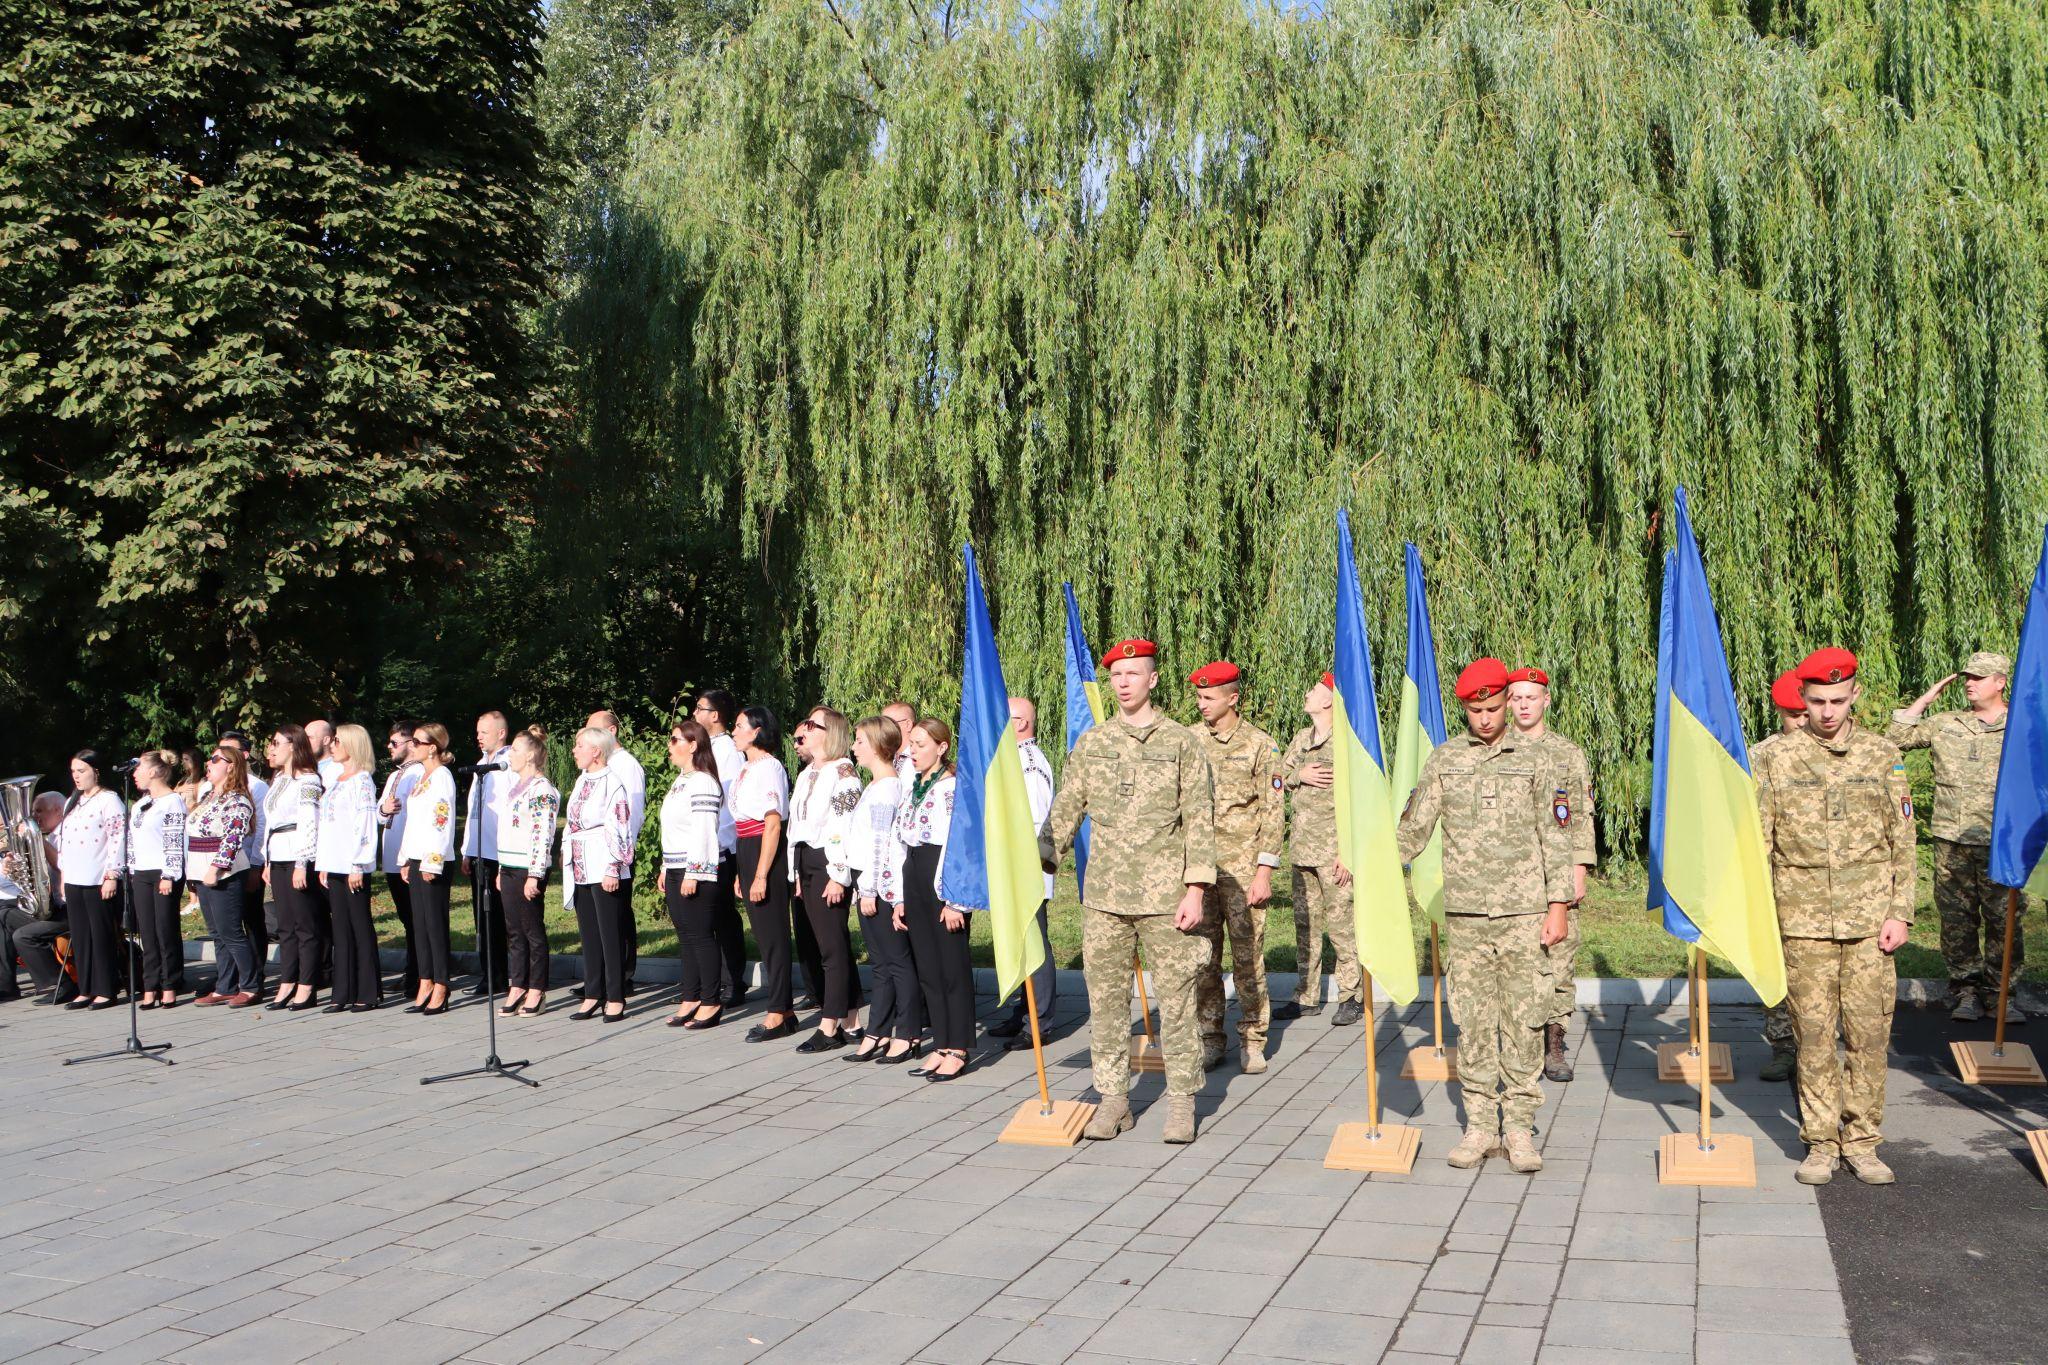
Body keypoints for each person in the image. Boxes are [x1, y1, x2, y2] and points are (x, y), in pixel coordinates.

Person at [1397, 658, 1572, 1172]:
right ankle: (1478, 1126)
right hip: (1468, 917)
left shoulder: (1537, 760)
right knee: (1472, 1023)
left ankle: (1518, 1128)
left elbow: (1556, 838)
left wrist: (1558, 906)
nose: (1487, 719)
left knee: (1524, 1021)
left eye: (1494, 708)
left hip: (1525, 914)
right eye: (1477, 711)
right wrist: (1375, 866)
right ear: (1465, 710)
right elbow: (1413, 828)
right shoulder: (1446, 759)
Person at [1044, 638, 1216, 1144]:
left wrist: (1196, 890)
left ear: (1152, 679)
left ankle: (1182, 1101)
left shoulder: (1181, 742)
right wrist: (1041, 856)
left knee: (1177, 1003)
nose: (1123, 683)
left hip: (1165, 898)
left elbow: (1199, 819)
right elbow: (1069, 804)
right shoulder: (1093, 742)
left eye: (1133, 673)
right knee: (1106, 1003)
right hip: (1104, 897)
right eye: (1117, 675)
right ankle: (1114, 1099)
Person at [1758, 647, 1914, 1187]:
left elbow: (1903, 840)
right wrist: (1762, 916)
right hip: (1801, 922)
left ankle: (1863, 1141)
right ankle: (1821, 1142)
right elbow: (1760, 842)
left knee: (1869, 1035)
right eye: (1818, 701)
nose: (1828, 712)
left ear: (1855, 696)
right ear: (1802, 697)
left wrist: (1901, 912)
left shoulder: (1882, 754)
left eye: (1838, 701)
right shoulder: (1774, 758)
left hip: (1870, 922)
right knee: (1814, 1036)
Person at [1889, 651, 2018, 1023]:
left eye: (1979, 677)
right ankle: (1965, 991)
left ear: (2000, 682)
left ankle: (2002, 995)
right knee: (1958, 921)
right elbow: (1896, 738)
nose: (1969, 684)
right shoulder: (1947, 723)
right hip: (1952, 839)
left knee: (2005, 920)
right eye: (1967, 677)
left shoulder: (2021, 725)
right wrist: (1927, 698)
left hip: (2001, 842)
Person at [1189, 661, 1284, 1074]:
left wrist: (1264, 872)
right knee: (1203, 958)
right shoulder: (1189, 741)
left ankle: (1253, 1037)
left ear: (1233, 698)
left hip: (1244, 871)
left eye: (1209, 697)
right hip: (1200, 871)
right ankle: (1210, 1037)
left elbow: (1273, 812)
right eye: (1198, 697)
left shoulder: (1261, 745)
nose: (1202, 704)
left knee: (1247, 958)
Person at [1505, 665, 1597, 1083]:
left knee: (1559, 962)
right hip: (1509, 877)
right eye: (1517, 698)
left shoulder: (1567, 753)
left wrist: (1580, 868)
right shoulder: (1497, 750)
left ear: (1546, 700)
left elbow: (1581, 813)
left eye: (1531, 697)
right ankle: (1515, 1043)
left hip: (1557, 874)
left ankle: (1554, 1043)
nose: (1524, 705)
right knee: (1514, 964)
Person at [1275, 672, 1363, 1026]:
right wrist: (1300, 775)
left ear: (1329, 700)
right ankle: (1307, 996)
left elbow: (1359, 799)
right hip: (1302, 850)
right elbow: (1276, 778)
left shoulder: (1346, 743)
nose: (1307, 694)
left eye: (1314, 690)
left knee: (1342, 927)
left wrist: (1349, 852)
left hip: (1333, 853)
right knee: (1305, 927)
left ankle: (1351, 995)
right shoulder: (1301, 739)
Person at [787, 707, 864, 1050]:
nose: (804, 729)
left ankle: (829, 1026)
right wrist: (795, 871)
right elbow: (796, 826)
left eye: (811, 724)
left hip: (829, 861)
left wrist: (838, 874)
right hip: (806, 859)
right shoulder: (808, 773)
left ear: (829, 732)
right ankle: (852, 1020)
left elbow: (844, 827)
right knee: (829, 943)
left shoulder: (843, 772)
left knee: (831, 946)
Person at [900, 718, 973, 1081]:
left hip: (943, 876)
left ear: (942, 748)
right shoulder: (916, 784)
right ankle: (941, 1043)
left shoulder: (951, 787)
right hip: (915, 872)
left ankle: (959, 1046)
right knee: (928, 966)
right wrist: (899, 898)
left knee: (951, 967)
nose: (912, 751)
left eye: (920, 744)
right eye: (911, 744)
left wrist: (956, 900)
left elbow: (962, 844)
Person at [845, 716, 920, 1062]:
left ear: (877, 745)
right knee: (881, 963)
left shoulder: (887, 788)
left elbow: (881, 843)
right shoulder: (876, 786)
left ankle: (907, 1033)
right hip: (868, 882)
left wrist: (870, 889)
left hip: (881, 886)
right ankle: (878, 1030)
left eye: (860, 741)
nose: (854, 747)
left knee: (897, 962)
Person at [988, 698, 1058, 1049]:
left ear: (1020, 723)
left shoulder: (1029, 763)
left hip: (1027, 868)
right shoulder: (1014, 758)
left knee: (1034, 943)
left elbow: (1036, 821)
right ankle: (1024, 1010)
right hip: (1014, 867)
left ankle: (1039, 1021)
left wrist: (1020, 865)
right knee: (1019, 941)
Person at [1753, 669, 1807, 1081]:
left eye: (1806, 713)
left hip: (1830, 886)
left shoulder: (1846, 751)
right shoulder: (1761, 756)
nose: (1802, 722)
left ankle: (1819, 1047)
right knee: (1776, 964)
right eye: (1793, 715)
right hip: (1775, 881)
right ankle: (1784, 1046)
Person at [731, 707, 796, 1040]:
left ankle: (778, 1011)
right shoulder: (747, 767)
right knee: (762, 932)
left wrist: (760, 875)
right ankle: (785, 1009)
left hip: (764, 848)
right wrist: (742, 872)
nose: (734, 731)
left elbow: (772, 823)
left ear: (756, 731)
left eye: (739, 726)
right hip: (747, 846)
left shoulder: (770, 767)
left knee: (773, 935)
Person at [563, 725, 635, 1021]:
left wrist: (613, 866)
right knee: (589, 933)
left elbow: (620, 825)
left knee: (610, 933)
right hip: (581, 863)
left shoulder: (612, 782)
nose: (574, 750)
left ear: (596, 751)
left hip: (604, 862)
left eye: (579, 745)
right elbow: (572, 820)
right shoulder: (582, 779)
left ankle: (615, 996)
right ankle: (592, 993)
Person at [660, 719, 726, 1029]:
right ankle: (691, 996)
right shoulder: (681, 781)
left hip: (696, 870)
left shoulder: (703, 782)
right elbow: (674, 829)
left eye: (675, 740)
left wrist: (693, 873)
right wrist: (665, 867)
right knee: (685, 936)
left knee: (700, 936)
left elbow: (703, 831)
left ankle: (711, 1002)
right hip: (676, 866)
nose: (670, 745)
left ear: (693, 745)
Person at [315, 724, 381, 1013]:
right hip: (335, 862)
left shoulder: (362, 781)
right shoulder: (336, 780)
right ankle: (342, 991)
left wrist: (358, 863)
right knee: (340, 928)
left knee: (359, 925)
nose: (333, 745)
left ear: (353, 745)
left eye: (338, 741)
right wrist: (324, 863)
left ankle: (367, 991)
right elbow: (329, 825)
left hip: (353, 864)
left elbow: (364, 823)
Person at [189, 746, 261, 1007]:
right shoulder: (208, 796)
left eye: (215, 759)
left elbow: (234, 836)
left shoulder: (237, 800)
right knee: (217, 933)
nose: (208, 763)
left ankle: (250, 986)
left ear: (231, 766)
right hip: (201, 871)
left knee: (231, 932)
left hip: (224, 873)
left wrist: (215, 868)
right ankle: (225, 986)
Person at [262, 724, 327, 1011]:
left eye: (277, 743)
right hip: (277, 855)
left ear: (293, 745)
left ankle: (307, 985)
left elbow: (310, 822)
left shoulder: (308, 779)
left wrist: (303, 863)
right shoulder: (279, 779)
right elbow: (270, 822)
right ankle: (287, 980)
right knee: (285, 925)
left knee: (304, 924)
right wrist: (267, 860)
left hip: (298, 854)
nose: (272, 748)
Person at [56, 750, 126, 1009]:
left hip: (98, 878)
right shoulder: (72, 801)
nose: (76, 776)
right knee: (81, 935)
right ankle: (85, 988)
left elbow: (118, 839)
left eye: (81, 770)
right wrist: (63, 877)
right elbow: (64, 843)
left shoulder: (109, 800)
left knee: (101, 934)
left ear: (96, 771)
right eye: (73, 771)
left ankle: (106, 988)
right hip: (74, 878)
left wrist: (112, 875)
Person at [497, 725, 559, 1016]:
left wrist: (535, 874)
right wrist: (501, 867)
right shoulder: (515, 787)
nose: (510, 754)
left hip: (528, 868)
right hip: (509, 866)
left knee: (532, 929)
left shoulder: (542, 789)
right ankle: (517, 984)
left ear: (531, 755)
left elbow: (542, 833)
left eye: (515, 749)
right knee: (514, 930)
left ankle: (537, 988)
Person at [397, 722, 458, 1015]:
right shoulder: (422, 777)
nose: (413, 746)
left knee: (434, 925)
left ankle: (442, 983)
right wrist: (407, 858)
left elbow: (441, 821)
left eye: (418, 742)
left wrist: (432, 861)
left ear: (432, 747)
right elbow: (414, 822)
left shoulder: (442, 777)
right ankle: (425, 980)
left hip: (434, 861)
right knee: (419, 925)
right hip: (417, 858)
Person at [692, 688, 748, 1004]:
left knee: (723, 915)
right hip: (704, 844)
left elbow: (728, 804)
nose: (694, 714)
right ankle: (709, 979)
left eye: (700, 708)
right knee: (707, 916)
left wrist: (720, 844)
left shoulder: (727, 751)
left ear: (714, 715)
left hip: (721, 845)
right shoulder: (705, 747)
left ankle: (733, 981)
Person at [586, 711, 646, 993]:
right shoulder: (596, 766)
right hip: (595, 854)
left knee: (618, 915)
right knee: (600, 918)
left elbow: (631, 813)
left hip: (617, 854)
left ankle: (622, 975)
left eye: (593, 731)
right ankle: (601, 977)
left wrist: (621, 855)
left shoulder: (626, 765)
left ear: (611, 731)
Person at [127, 750, 188, 1008]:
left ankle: (170, 984)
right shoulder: (140, 804)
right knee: (147, 932)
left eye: (139, 768)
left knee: (165, 929)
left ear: (153, 772)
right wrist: (131, 870)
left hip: (163, 873)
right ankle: (150, 985)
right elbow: (132, 841)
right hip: (141, 873)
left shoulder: (172, 801)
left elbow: (175, 840)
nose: (134, 774)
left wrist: (169, 875)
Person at [461, 710, 513, 997]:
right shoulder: (481, 765)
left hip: (499, 850)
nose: (478, 737)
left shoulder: (508, 763)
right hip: (479, 849)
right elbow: (473, 810)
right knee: (481, 915)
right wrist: (467, 850)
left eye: (484, 731)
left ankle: (502, 974)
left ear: (501, 733)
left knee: (497, 915)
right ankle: (488, 973)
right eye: (477, 732)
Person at [216, 730, 270, 996]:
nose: (220, 758)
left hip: (247, 863)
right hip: (221, 867)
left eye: (229, 751)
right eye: (218, 753)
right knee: (226, 924)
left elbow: (260, 828)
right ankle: (228, 978)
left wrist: (256, 865)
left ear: (244, 755)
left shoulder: (256, 786)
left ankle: (255, 975)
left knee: (251, 920)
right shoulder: (213, 787)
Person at [378, 720, 424, 1001]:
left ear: (410, 743)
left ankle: (418, 975)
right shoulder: (395, 775)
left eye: (395, 743)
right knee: (407, 920)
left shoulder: (419, 773)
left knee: (415, 920)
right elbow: (379, 812)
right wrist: (384, 809)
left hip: (407, 858)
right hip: (392, 859)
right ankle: (412, 971)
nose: (390, 747)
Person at [8, 793, 69, 1005]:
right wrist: (13, 868)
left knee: (24, 936)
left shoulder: (67, 834)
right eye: (34, 811)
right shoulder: (50, 837)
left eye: (40, 811)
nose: (34, 816)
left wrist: (37, 840)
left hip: (71, 909)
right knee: (4, 916)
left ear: (58, 810)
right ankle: (5, 985)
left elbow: (64, 865)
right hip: (53, 907)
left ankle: (61, 984)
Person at [881, 701, 918, 783]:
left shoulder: (919, 758)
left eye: (888, 723)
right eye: (881, 725)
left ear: (908, 725)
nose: (882, 729)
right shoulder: (891, 758)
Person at [307, 718, 342, 785]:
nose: (305, 742)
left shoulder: (339, 770)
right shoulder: (301, 768)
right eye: (304, 738)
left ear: (326, 740)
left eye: (310, 738)